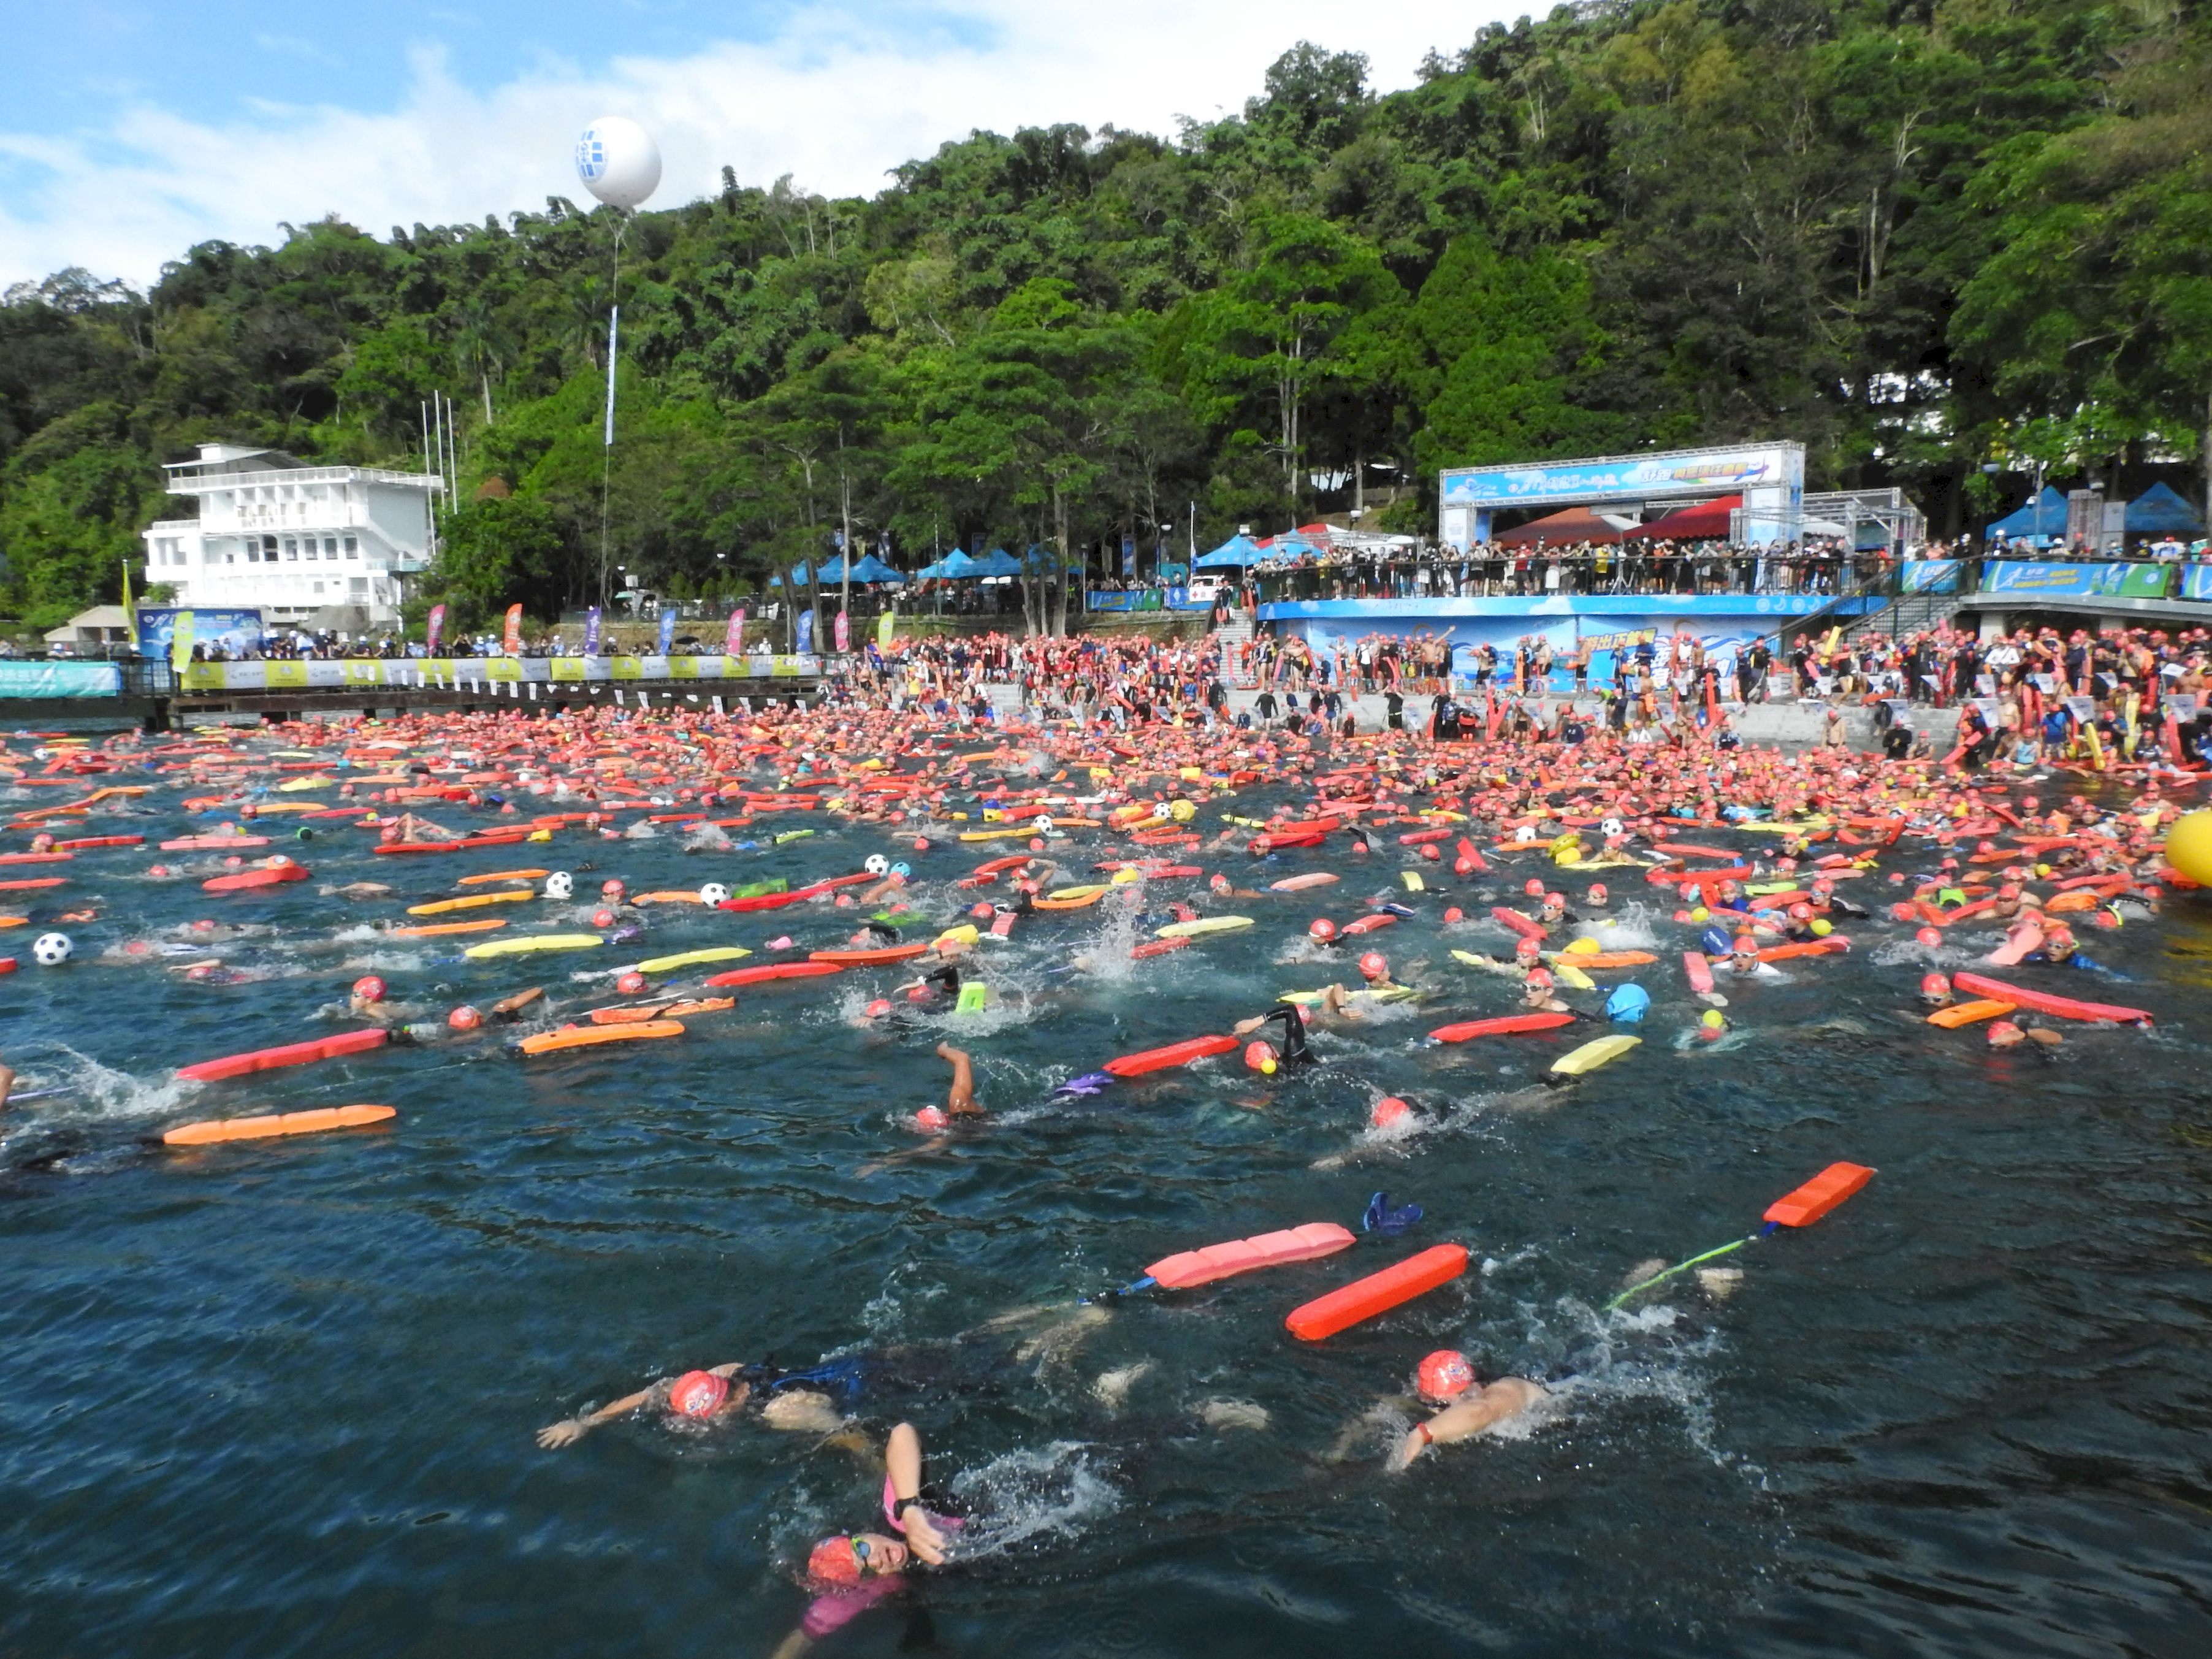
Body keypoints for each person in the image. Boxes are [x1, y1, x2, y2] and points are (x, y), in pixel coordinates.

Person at [1389, 1349, 1546, 1473]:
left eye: (1443, 1406)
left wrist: (1422, 1434)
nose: (1438, 1413)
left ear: (1470, 1391)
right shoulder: (1472, 1393)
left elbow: (1482, 1411)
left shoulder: (1508, 1389)